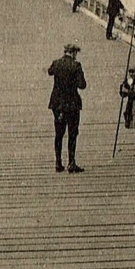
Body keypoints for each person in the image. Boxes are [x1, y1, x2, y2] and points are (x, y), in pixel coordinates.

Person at [48, 43, 87, 173]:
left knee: (59, 133)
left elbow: (49, 71)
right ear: (74, 53)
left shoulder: (56, 63)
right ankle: (71, 162)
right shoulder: (76, 66)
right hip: (71, 103)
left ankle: (58, 163)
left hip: (57, 103)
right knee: (72, 133)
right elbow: (82, 85)